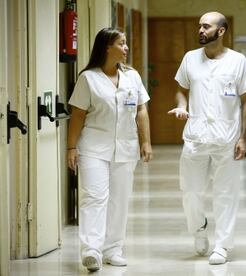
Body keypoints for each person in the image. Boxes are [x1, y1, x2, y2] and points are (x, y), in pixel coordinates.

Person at [168, 11, 246, 265]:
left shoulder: (237, 61)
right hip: (195, 137)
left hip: (226, 138)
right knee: (191, 192)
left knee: (226, 194)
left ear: (221, 31)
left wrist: (243, 137)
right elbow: (181, 90)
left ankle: (223, 246)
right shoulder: (190, 59)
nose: (201, 30)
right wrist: (183, 106)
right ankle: (199, 228)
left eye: (206, 26)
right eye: (199, 26)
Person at [67, 27, 152, 272]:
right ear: (106, 47)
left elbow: (141, 110)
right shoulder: (88, 78)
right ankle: (91, 250)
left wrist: (146, 142)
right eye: (121, 43)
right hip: (94, 147)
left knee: (119, 200)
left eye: (126, 43)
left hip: (126, 147)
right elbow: (78, 114)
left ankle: (113, 249)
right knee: (94, 197)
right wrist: (71, 147)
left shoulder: (132, 77)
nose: (126, 48)